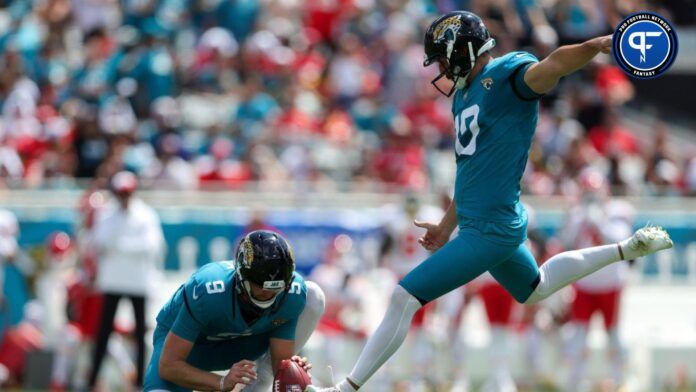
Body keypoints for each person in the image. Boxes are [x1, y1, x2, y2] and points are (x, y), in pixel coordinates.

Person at [305, 11, 673, 392]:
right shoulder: (465, 94)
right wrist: (447, 226)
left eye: (445, 59)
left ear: (463, 50)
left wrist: (596, 45)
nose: (443, 70)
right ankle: (627, 248)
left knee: (404, 296)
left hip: (490, 228)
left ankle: (346, 389)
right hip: (490, 221)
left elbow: (554, 65)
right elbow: (470, 172)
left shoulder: (508, 75)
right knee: (537, 287)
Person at [144, 230, 326, 392]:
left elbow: (280, 362)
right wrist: (222, 383)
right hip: (191, 349)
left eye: (276, 289)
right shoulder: (209, 290)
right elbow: (169, 366)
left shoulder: (291, 294)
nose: (269, 295)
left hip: (246, 345)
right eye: (261, 288)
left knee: (313, 295)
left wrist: (291, 372)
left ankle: (259, 384)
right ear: (242, 277)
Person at [558, 169, 635, 391]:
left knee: (613, 335)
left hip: (610, 283)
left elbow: (622, 240)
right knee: (578, 336)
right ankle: (575, 381)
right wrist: (581, 219)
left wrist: (599, 222)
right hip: (584, 283)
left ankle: (619, 380)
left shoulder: (616, 211)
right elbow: (566, 242)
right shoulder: (576, 214)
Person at [88, 171, 165, 390]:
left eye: (127, 193)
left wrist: (120, 247)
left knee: (140, 334)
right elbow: (99, 242)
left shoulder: (145, 214)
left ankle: (140, 382)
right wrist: (128, 246)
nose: (124, 198)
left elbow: (152, 246)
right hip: (113, 281)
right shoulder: (107, 214)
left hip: (137, 282)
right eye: (121, 193)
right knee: (103, 333)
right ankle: (92, 381)